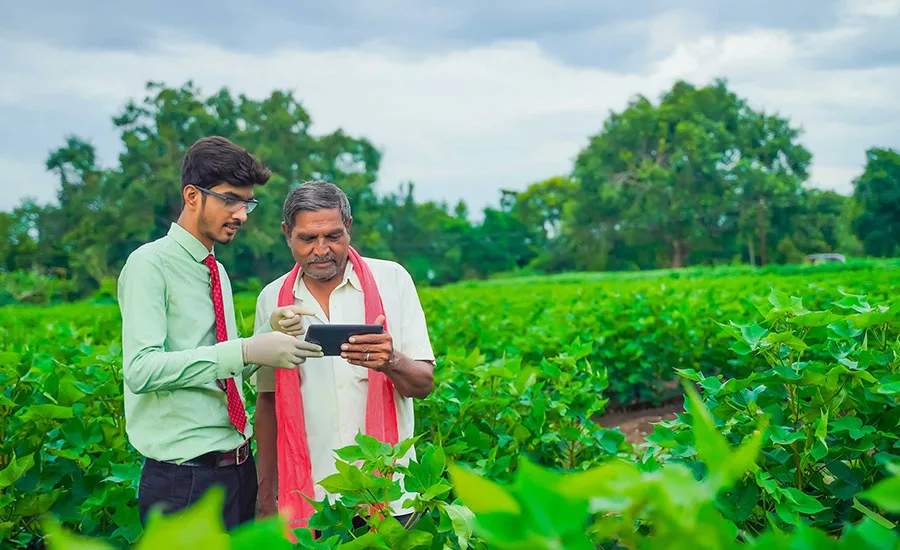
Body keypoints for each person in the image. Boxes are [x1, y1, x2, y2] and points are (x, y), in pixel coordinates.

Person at [117, 136, 324, 530]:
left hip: (237, 468)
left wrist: (269, 332)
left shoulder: (215, 269)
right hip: (185, 481)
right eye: (230, 199)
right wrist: (248, 349)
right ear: (192, 195)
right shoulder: (149, 265)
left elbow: (222, 368)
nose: (242, 214)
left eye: (247, 203)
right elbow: (142, 371)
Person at [253, 180, 435, 533]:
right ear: (287, 234)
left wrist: (391, 361)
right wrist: (264, 496)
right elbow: (267, 401)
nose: (322, 250)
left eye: (333, 236)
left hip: (391, 494)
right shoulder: (272, 298)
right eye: (308, 238)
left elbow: (424, 385)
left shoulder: (392, 280)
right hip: (309, 501)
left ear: (348, 228)